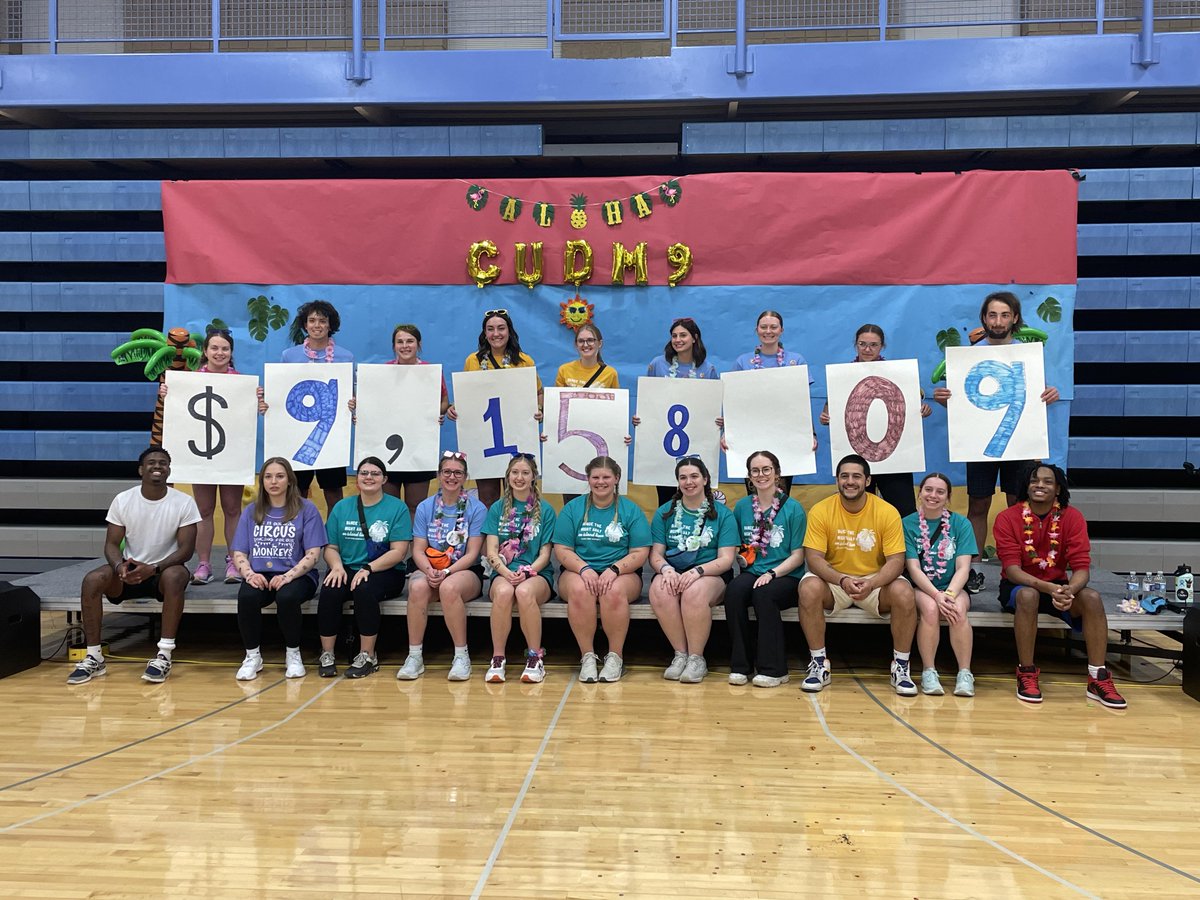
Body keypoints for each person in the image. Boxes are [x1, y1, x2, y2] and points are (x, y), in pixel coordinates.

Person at [932, 292, 1060, 595]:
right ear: (983, 319)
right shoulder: (968, 356)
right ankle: (972, 570)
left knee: (1020, 505)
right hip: (980, 443)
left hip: (1019, 443)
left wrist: (1049, 394)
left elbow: (1035, 396)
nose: (998, 321)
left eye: (1004, 315)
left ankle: (1018, 568)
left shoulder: (1029, 355)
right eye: (992, 315)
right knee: (978, 504)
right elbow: (966, 406)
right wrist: (947, 401)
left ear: (1015, 318)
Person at [993, 462, 1126, 708]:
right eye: (1034, 481)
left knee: (1093, 598)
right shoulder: (1007, 517)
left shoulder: (1072, 517)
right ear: (1026, 486)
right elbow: (1012, 570)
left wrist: (1070, 590)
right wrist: (1049, 588)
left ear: (1057, 489)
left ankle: (1098, 677)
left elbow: (1081, 568)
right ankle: (1027, 673)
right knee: (1028, 596)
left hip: (1060, 587)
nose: (1039, 485)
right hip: (1020, 586)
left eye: (1047, 481)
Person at [67, 447, 201, 685]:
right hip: (128, 571)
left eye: (163, 463)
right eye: (151, 462)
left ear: (169, 470)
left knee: (176, 576)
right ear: (141, 469)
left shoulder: (184, 502)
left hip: (161, 573)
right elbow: (110, 544)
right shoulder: (124, 499)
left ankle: (164, 654)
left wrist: (154, 568)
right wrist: (119, 566)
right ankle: (94, 656)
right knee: (92, 580)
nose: (157, 466)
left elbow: (186, 551)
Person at [799, 454, 917, 695]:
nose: (849, 481)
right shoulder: (821, 510)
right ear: (837, 480)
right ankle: (819, 663)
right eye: (844, 476)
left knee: (904, 592)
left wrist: (872, 582)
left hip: (874, 582)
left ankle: (901, 666)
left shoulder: (887, 511)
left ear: (867, 480)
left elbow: (896, 561)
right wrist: (842, 579)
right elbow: (813, 559)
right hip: (836, 582)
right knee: (808, 587)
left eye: (856, 476)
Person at [553, 456, 651, 683]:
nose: (601, 482)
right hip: (578, 571)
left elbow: (639, 552)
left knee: (612, 590)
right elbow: (563, 549)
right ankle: (587, 656)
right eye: (595, 477)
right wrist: (584, 569)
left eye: (606, 477)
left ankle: (615, 657)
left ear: (616, 478)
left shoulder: (630, 509)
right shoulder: (573, 508)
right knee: (580, 590)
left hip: (622, 573)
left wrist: (614, 569)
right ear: (588, 479)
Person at [158, 327, 245, 585]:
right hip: (201, 455)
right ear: (205, 352)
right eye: (214, 348)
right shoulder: (190, 381)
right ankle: (204, 564)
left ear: (231, 353)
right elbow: (179, 412)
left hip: (230, 454)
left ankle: (235, 562)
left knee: (232, 509)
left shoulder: (241, 381)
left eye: (225, 348)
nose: (220, 352)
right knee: (204, 510)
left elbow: (246, 417)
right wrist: (168, 395)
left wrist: (258, 402)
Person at [229, 457, 326, 681]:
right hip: (261, 574)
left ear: (290, 480)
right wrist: (249, 574)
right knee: (247, 595)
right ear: (262, 481)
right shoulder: (252, 511)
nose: (274, 481)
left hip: (298, 575)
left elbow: (313, 554)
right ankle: (252, 656)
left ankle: (293, 654)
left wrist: (288, 576)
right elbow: (239, 553)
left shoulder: (307, 509)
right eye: (268, 477)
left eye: (280, 476)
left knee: (287, 596)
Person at [819, 324, 931, 518]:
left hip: (895, 459)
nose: (867, 349)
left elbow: (915, 402)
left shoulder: (898, 374)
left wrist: (923, 409)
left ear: (882, 346)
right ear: (856, 345)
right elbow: (828, 411)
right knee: (857, 512)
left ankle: (905, 548)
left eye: (873, 345)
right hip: (856, 459)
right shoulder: (842, 377)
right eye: (862, 344)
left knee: (903, 510)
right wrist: (825, 417)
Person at [398, 451, 488, 681]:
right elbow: (417, 549)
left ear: (465, 477)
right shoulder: (425, 507)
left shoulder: (476, 508)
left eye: (458, 472)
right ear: (439, 475)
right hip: (431, 567)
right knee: (417, 587)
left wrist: (447, 572)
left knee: (449, 588)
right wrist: (428, 570)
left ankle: (461, 656)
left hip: (464, 570)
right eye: (447, 472)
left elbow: (473, 553)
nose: (452, 477)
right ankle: (414, 656)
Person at [318, 457, 412, 679]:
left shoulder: (397, 507)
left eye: (375, 473)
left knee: (364, 590)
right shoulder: (342, 507)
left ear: (384, 479)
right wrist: (337, 566)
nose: (369, 477)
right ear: (357, 478)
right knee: (330, 589)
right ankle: (327, 653)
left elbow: (399, 552)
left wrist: (369, 568)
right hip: (348, 567)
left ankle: (367, 654)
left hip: (385, 571)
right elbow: (330, 547)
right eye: (364, 473)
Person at [647, 456, 738, 683]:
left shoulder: (722, 514)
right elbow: (655, 554)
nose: (689, 482)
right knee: (660, 589)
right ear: (677, 482)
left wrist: (697, 572)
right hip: (674, 570)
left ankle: (697, 658)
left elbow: (726, 559)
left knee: (693, 592)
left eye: (694, 476)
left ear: (705, 479)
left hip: (710, 573)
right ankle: (681, 654)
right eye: (683, 477)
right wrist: (666, 570)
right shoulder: (665, 512)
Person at [725, 450, 808, 688]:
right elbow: (739, 545)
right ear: (749, 477)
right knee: (734, 592)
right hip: (753, 571)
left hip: (786, 575)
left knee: (764, 594)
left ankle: (774, 669)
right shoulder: (741, 507)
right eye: (755, 471)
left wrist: (772, 574)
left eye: (766, 469)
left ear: (777, 474)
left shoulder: (793, 508)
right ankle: (740, 665)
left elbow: (798, 555)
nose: (761, 475)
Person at [447, 309, 543, 509]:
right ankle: (490, 540)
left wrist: (540, 408)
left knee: (519, 495)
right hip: (485, 442)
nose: (496, 334)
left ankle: (520, 538)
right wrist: (455, 409)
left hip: (516, 438)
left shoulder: (524, 361)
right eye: (490, 329)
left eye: (501, 328)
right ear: (484, 333)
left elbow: (538, 393)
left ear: (509, 331)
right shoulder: (473, 360)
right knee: (488, 498)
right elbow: (468, 397)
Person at [723, 309, 818, 495]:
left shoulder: (795, 361)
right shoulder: (743, 362)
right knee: (755, 494)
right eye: (764, 327)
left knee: (781, 495)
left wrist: (810, 434)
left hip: (786, 436)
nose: (768, 331)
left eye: (773, 327)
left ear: (781, 330)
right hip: (750, 436)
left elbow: (802, 404)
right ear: (756, 330)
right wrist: (728, 432)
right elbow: (735, 402)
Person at [482, 453, 557, 684]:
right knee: (504, 592)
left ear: (534, 477)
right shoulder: (497, 508)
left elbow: (545, 554)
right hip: (503, 572)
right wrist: (505, 572)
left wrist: (527, 572)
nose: (520, 477)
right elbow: (491, 551)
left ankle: (535, 657)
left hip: (536, 574)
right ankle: (498, 658)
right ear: (508, 476)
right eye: (515, 472)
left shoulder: (546, 510)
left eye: (525, 473)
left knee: (524, 592)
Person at [902, 473, 977, 697]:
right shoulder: (907, 523)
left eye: (940, 492)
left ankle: (965, 673)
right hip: (923, 588)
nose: (933, 495)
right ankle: (929, 671)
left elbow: (963, 567)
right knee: (931, 609)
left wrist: (951, 594)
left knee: (958, 610)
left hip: (953, 586)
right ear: (920, 493)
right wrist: (936, 595)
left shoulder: (961, 524)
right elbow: (913, 568)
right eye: (928, 490)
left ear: (948, 497)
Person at [279, 300, 355, 514]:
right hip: (298, 435)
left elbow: (351, 391)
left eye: (322, 320)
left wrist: (352, 401)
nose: (317, 325)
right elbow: (282, 390)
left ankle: (333, 542)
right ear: (305, 325)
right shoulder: (289, 356)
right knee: (297, 491)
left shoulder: (345, 356)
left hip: (331, 435)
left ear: (331, 325)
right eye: (312, 320)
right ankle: (296, 540)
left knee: (333, 493)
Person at [636, 316, 719, 505]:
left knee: (694, 494)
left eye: (683, 335)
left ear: (695, 338)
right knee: (665, 498)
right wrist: (641, 418)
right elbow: (649, 401)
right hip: (663, 444)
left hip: (696, 441)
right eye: (674, 335)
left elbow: (712, 406)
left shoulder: (708, 369)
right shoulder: (658, 364)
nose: (678, 339)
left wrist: (717, 420)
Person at [383, 323, 451, 520]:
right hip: (388, 449)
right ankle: (391, 550)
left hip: (419, 447)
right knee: (390, 506)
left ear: (418, 344)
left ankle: (415, 550)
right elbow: (372, 403)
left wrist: (435, 412)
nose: (405, 346)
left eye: (410, 341)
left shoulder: (430, 371)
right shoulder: (382, 371)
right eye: (400, 342)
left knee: (415, 505)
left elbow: (444, 401)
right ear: (394, 346)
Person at [555, 322, 619, 389]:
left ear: (600, 343)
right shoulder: (564, 370)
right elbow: (556, 398)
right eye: (581, 341)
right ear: (576, 344)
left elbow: (616, 398)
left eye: (590, 340)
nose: (585, 345)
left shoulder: (610, 373)